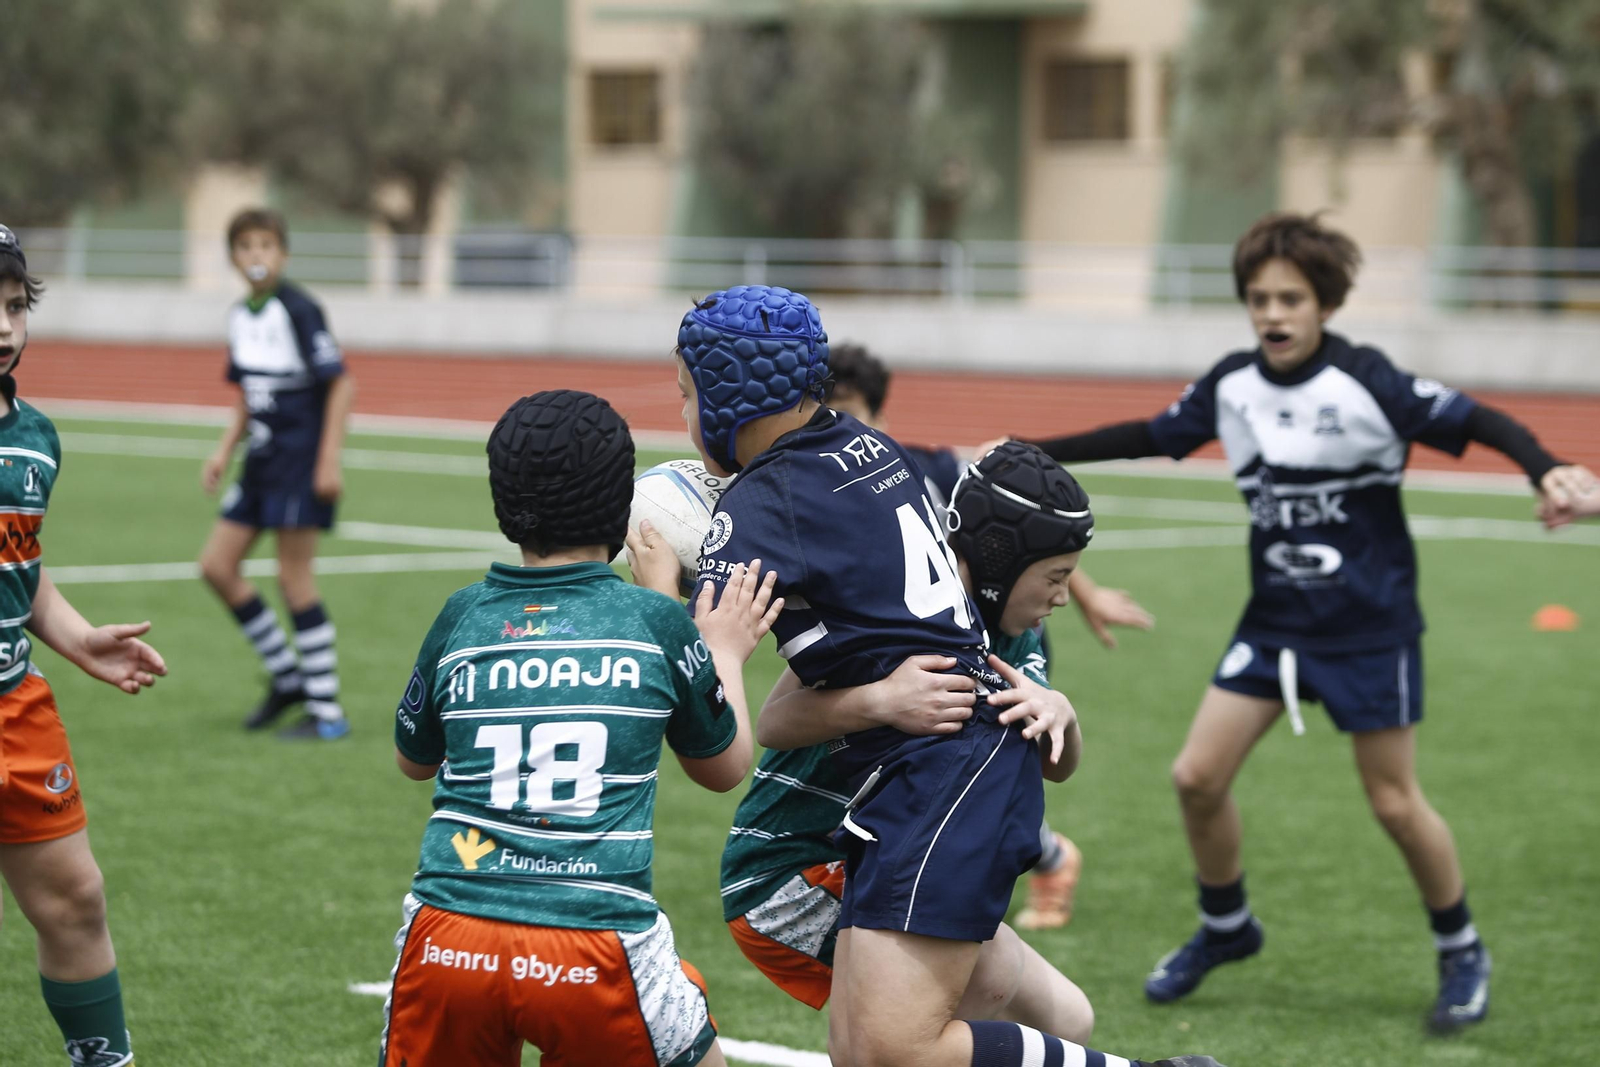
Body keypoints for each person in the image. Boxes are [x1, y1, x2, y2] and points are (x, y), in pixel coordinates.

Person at [1016, 212, 1599, 1033]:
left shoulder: (1368, 379)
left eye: (1290, 297)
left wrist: (1546, 467)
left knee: (1395, 802)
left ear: (1324, 303)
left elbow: (1478, 419)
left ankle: (1461, 945)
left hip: (1371, 627)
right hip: (1276, 623)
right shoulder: (1233, 385)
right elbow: (1147, 433)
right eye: (1258, 298)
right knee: (1196, 777)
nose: (1272, 314)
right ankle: (1227, 926)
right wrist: (1030, 451)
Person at [668, 284, 1224, 1067]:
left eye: (687, 395)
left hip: (936, 776)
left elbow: (720, 750)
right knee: (992, 1028)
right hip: (942, 774)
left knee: (887, 1051)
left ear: (728, 396)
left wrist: (691, 614)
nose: (681, 416)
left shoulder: (761, 507)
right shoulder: (870, 446)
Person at [380, 389, 779, 1067]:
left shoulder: (461, 616)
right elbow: (724, 765)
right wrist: (722, 648)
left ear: (503, 501)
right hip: (591, 942)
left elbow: (412, 759)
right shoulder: (656, 623)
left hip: (449, 933)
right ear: (621, 505)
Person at [698, 442, 1115, 1044]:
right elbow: (773, 723)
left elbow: (1058, 765)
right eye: (1054, 577)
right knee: (945, 1031)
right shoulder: (885, 605)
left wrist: (1062, 714)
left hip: (879, 862)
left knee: (1067, 1017)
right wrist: (881, 700)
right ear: (1001, 560)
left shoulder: (1015, 640)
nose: (1062, 597)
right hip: (790, 876)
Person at [825, 343, 1158, 928]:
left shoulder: (928, 471)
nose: (839, 425)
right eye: (827, 412)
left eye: (850, 411)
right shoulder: (828, 484)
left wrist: (1084, 594)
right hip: (922, 636)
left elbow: (1032, 537)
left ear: (880, 415)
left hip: (1003, 631)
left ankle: (1034, 858)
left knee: (995, 756)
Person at [0, 223, 167, 1066]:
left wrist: (74, 637)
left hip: (14, 708)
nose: (1, 325)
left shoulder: (35, 436)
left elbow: (18, 562)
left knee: (75, 899)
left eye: (12, 305)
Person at [197, 208, 355, 740]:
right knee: (217, 566)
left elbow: (340, 384)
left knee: (294, 579)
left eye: (266, 245)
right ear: (234, 258)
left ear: (283, 254)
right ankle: (289, 680)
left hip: (298, 463)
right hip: (259, 465)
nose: (256, 256)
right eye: (245, 247)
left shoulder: (301, 309)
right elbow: (248, 394)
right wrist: (223, 451)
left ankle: (327, 712)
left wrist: (328, 459)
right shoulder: (241, 315)